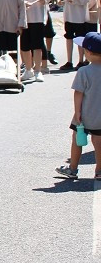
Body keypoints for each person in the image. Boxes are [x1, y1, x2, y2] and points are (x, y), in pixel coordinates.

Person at [57, 32, 101, 184]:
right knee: (99, 142)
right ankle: (99, 170)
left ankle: (73, 168)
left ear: (87, 52)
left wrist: (77, 112)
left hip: (85, 114)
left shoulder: (84, 71)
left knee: (77, 139)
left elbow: (78, 93)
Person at [17, 0, 49, 82]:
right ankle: (28, 69)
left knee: (37, 45)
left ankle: (38, 70)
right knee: (24, 45)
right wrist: (22, 4)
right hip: (23, 19)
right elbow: (14, 1)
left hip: (37, 17)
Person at [58, 0, 90, 70]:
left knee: (79, 38)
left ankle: (81, 60)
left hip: (78, 16)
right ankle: (69, 60)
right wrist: (62, 0)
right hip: (68, 15)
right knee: (69, 37)